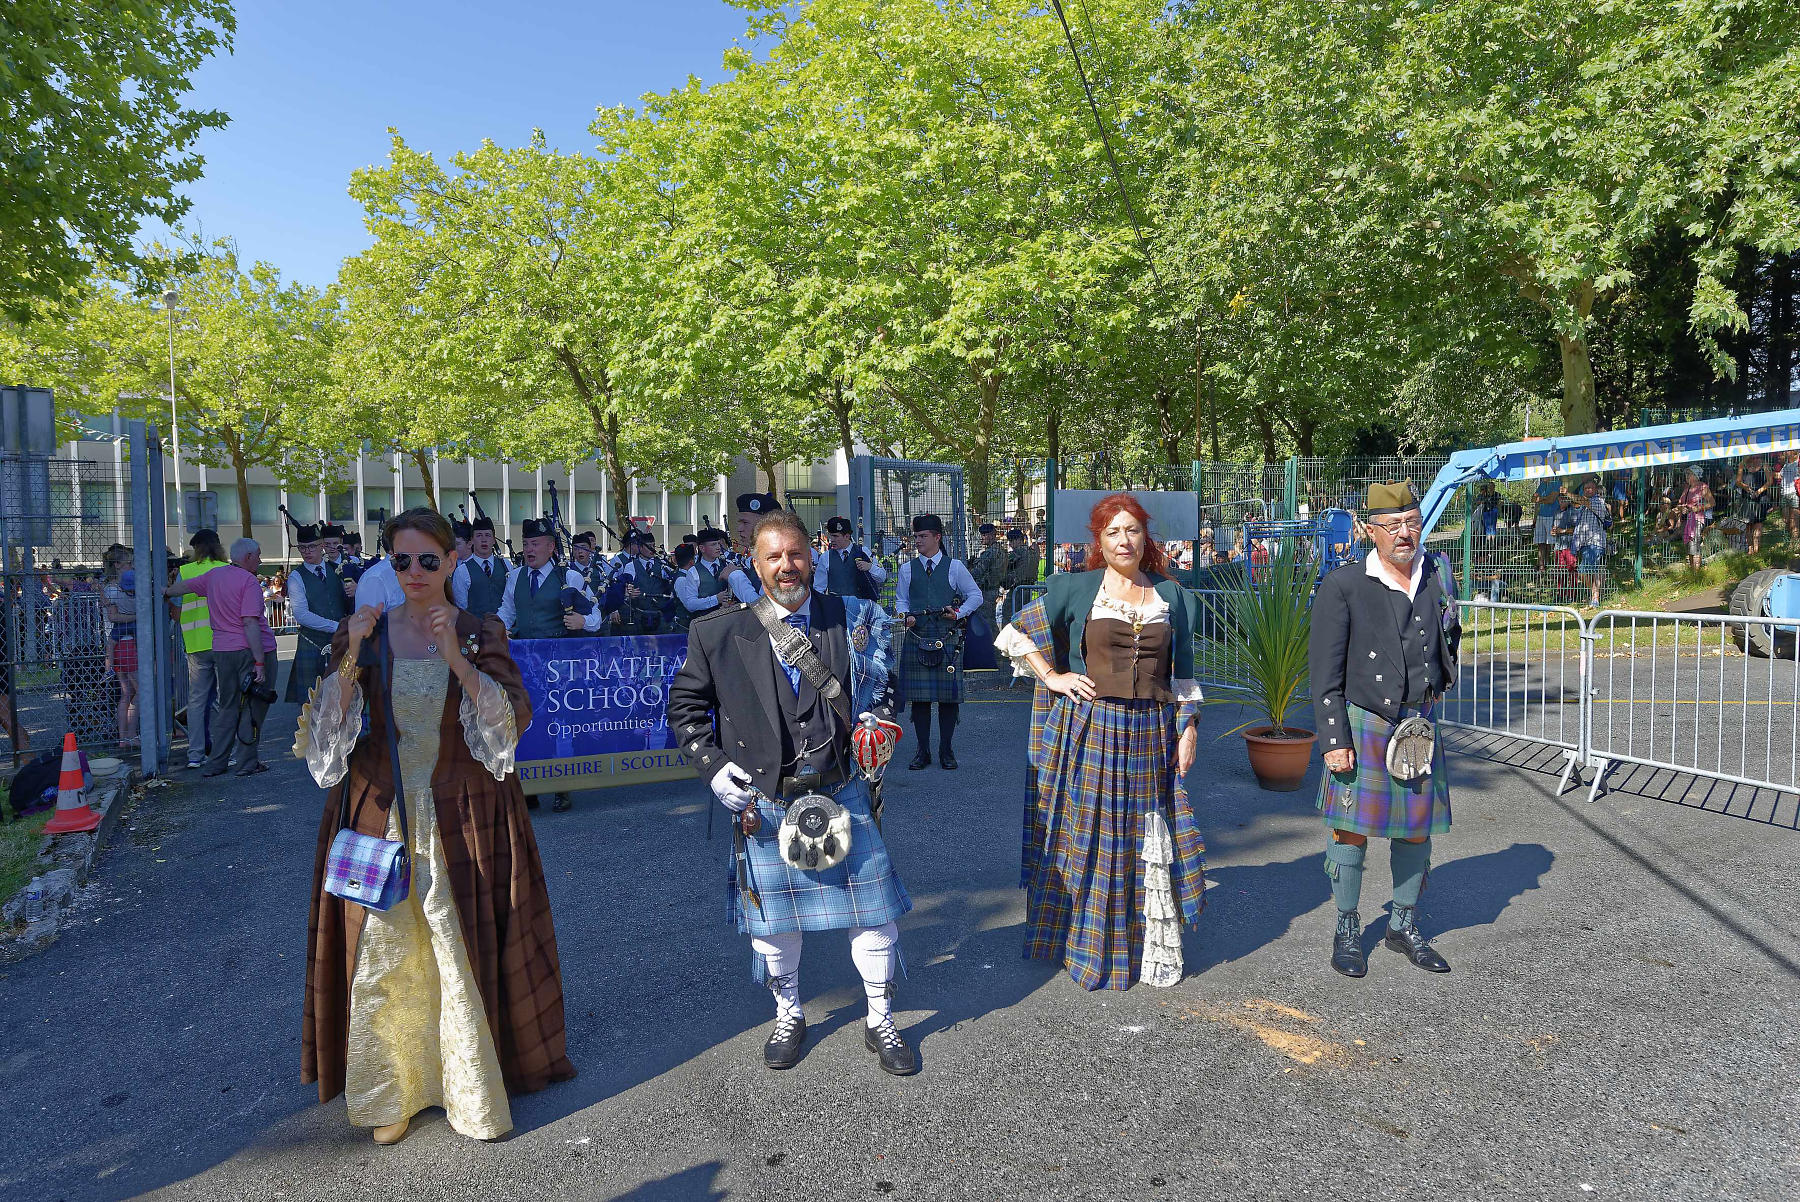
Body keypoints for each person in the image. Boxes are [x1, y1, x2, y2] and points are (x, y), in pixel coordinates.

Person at [298, 507, 575, 1144]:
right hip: (382, 809)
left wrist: (457, 658)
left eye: (429, 559)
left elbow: (510, 723)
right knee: (386, 948)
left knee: (456, 942)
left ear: (452, 561)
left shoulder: (478, 631)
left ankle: (466, 1084)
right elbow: (327, 736)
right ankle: (391, 1087)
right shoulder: (365, 630)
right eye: (402, 560)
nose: (415, 572)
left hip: (464, 806)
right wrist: (352, 654)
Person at [666, 508, 917, 1075]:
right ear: (754, 565)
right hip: (766, 799)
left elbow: (883, 685)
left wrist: (876, 719)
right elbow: (685, 709)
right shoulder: (717, 632)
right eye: (773, 556)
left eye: (796, 553)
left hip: (842, 787)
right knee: (775, 924)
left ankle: (880, 1018)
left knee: (873, 914)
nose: (787, 566)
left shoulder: (853, 616)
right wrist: (712, 767)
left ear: (813, 556)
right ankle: (788, 1012)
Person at [995, 493, 1207, 991]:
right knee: (1093, 837)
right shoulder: (1076, 588)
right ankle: (1090, 948)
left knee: (1140, 837)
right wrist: (1054, 677)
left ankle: (1140, 947)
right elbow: (1016, 631)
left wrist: (1189, 726)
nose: (1124, 540)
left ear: (1146, 537)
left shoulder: (1172, 596)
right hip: (1094, 730)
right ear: (1099, 540)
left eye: (1132, 530)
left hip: (1152, 732)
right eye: (1113, 532)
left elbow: (1183, 674)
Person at [1309, 482, 1460, 979]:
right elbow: (1324, 673)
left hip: (1419, 723)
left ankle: (1402, 925)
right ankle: (1347, 927)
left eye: (1412, 522)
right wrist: (1335, 740)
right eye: (1393, 525)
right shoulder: (1345, 585)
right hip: (1365, 722)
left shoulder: (1437, 575)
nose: (1404, 534)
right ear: (1370, 531)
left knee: (1416, 831)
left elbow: (1449, 636)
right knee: (1349, 830)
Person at [164, 538, 279, 778]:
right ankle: (246, 762)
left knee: (228, 707)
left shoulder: (215, 576)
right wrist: (259, 662)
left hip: (223, 650)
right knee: (253, 707)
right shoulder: (249, 581)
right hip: (249, 651)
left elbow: (184, 587)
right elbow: (250, 622)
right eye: (258, 555)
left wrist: (164, 591)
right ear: (248, 557)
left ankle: (217, 762)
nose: (260, 560)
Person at [893, 514, 982, 770]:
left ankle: (946, 750)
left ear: (937, 537)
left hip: (947, 639)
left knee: (948, 700)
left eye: (923, 536)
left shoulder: (955, 567)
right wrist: (905, 616)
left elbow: (975, 595)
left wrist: (959, 613)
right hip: (917, 637)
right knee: (920, 701)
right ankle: (922, 751)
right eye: (916, 536)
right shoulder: (907, 569)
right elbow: (901, 600)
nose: (918, 541)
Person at [285, 523, 349, 703]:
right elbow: (301, 615)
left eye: (312, 546)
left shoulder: (338, 569)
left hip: (341, 643)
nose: (307, 551)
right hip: (312, 644)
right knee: (311, 703)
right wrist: (337, 626)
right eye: (302, 547)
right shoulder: (296, 577)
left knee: (342, 699)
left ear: (322, 545)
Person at [675, 526, 757, 620]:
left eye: (718, 543)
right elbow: (690, 604)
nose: (718, 547)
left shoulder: (728, 565)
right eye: (713, 544)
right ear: (702, 548)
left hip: (730, 620)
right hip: (706, 622)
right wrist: (716, 599)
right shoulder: (693, 572)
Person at [101, 547, 138, 751]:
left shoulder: (126, 587)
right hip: (125, 644)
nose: (132, 566)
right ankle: (130, 735)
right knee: (140, 692)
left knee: (128, 693)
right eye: (128, 563)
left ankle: (124, 737)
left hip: (124, 644)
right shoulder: (112, 589)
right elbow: (113, 617)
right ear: (117, 565)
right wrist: (140, 616)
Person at [450, 512, 508, 618]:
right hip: (475, 626)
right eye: (479, 535)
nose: (484, 539)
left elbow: (511, 601)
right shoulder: (462, 571)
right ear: (472, 540)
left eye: (488, 535)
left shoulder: (506, 565)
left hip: (504, 625)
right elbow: (461, 607)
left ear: (494, 540)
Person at [815, 516, 886, 600]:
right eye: (831, 536)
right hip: (837, 606)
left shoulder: (863, 551)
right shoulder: (826, 557)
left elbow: (882, 577)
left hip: (861, 606)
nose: (831, 540)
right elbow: (819, 588)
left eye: (835, 536)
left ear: (847, 536)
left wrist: (870, 567)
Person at [1565, 478, 1611, 608]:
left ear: (1595, 489)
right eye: (1586, 489)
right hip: (1584, 543)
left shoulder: (1598, 502)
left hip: (1595, 542)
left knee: (1583, 571)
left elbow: (1582, 501)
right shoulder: (1584, 506)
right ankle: (1595, 597)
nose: (1588, 490)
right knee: (1592, 571)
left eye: (1591, 488)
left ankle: (1595, 596)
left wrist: (1567, 493)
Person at [1677, 468, 1713, 571]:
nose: (1687, 476)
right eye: (1686, 474)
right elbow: (1679, 503)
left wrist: (1699, 508)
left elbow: (1712, 503)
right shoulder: (1687, 488)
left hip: (1697, 519)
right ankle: (1693, 570)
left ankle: (1696, 572)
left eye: (1689, 474)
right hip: (1686, 520)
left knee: (1694, 544)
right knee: (1689, 545)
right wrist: (1681, 508)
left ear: (1696, 475)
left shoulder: (1703, 487)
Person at [1000, 527, 1039, 625]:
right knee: (1023, 618)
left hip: (1017, 588)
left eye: (1012, 541)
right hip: (1029, 588)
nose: (1010, 544)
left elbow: (1004, 562)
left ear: (1019, 540)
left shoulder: (1019, 551)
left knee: (1008, 614)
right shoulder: (1033, 552)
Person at [1736, 456, 1774, 554]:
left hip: (1761, 498)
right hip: (1747, 497)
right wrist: (1746, 488)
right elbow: (1738, 482)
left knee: (1758, 523)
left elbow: (1770, 481)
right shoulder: (1742, 465)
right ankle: (1750, 548)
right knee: (1748, 524)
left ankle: (1756, 549)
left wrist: (1759, 491)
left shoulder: (1764, 464)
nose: (1754, 458)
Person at [1532, 478, 1565, 570]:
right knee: (1540, 542)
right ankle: (1541, 566)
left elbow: (1551, 500)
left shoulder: (1557, 482)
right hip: (1540, 516)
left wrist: (1540, 499)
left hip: (1552, 516)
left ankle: (1556, 566)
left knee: (1552, 543)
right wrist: (1545, 498)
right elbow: (1533, 499)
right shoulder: (1542, 484)